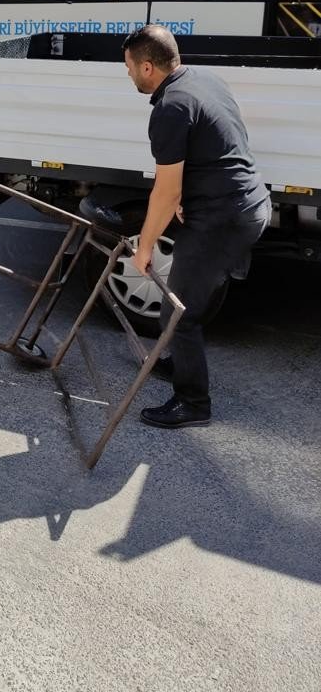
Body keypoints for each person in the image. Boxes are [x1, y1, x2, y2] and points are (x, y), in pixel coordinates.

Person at [122, 24, 271, 429]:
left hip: (224, 219)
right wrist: (194, 196)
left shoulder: (170, 107)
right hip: (247, 204)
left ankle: (193, 404)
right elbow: (217, 147)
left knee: (176, 311)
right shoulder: (204, 79)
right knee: (191, 299)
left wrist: (144, 247)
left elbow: (165, 194)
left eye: (130, 67)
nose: (129, 75)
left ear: (148, 67)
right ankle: (181, 364)